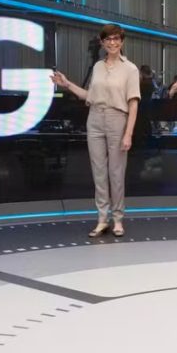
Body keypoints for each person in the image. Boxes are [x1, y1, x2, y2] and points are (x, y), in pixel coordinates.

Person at [51, 24, 141, 238]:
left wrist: (128, 133)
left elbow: (133, 103)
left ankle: (117, 219)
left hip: (117, 118)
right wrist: (67, 84)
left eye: (116, 39)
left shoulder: (130, 69)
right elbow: (89, 95)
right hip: (95, 119)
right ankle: (102, 219)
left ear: (122, 41)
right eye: (108, 39)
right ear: (102, 43)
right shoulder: (98, 67)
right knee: (98, 172)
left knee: (116, 172)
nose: (112, 42)